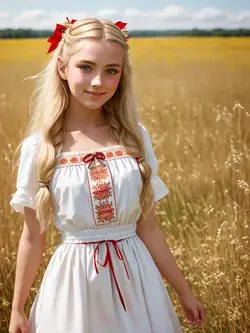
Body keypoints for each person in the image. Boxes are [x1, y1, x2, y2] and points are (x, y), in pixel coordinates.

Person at [8, 17, 204, 333]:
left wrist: (183, 290)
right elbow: (33, 235)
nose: (99, 81)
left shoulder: (134, 137)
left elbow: (149, 228)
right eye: (86, 67)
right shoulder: (40, 148)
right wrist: (17, 309)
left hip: (137, 280)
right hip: (74, 285)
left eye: (111, 70)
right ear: (62, 68)